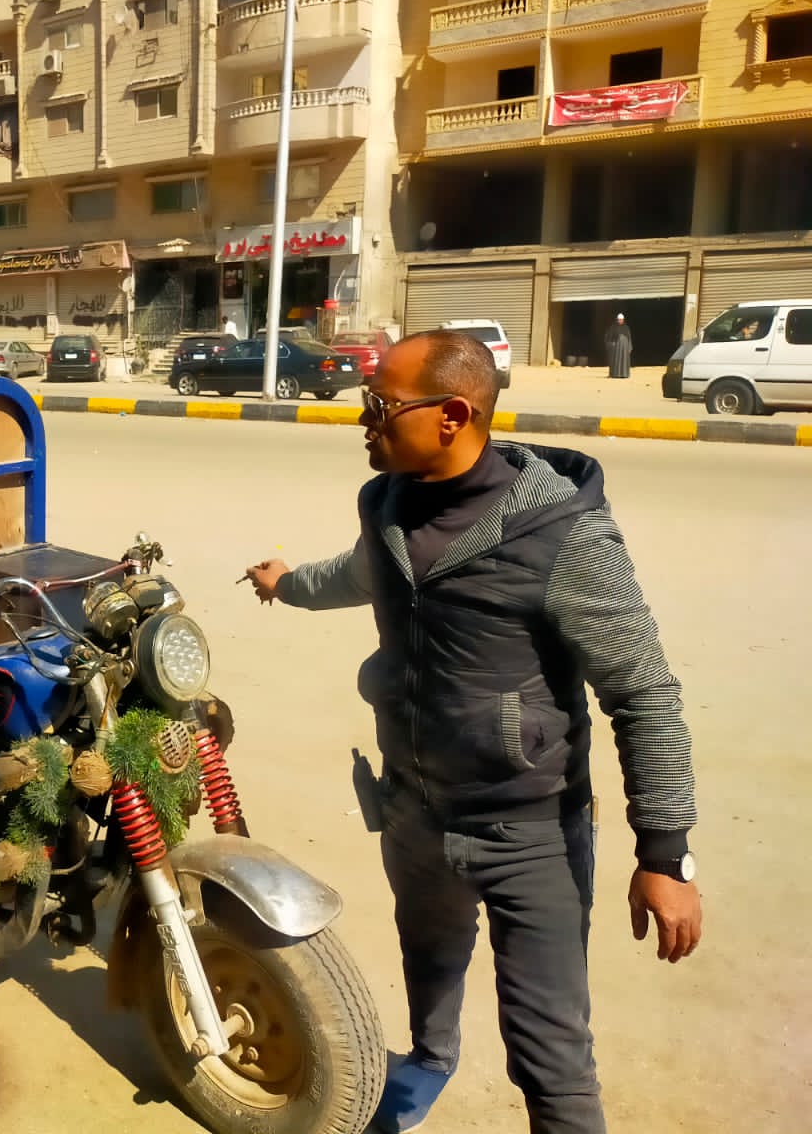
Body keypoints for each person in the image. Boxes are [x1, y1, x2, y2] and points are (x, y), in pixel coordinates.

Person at [244, 331, 701, 1134]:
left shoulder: (563, 535)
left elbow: (643, 692)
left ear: (452, 415)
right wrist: (289, 586)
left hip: (530, 833)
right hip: (414, 813)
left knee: (551, 1057)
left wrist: (665, 855)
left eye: (381, 405)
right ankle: (430, 1060)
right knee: (429, 959)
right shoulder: (387, 503)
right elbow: (361, 572)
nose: (364, 420)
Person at [603, 313, 632, 379]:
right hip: (616, 348)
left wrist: (629, 347)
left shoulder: (626, 327)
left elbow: (629, 337)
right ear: (617, 320)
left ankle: (624, 374)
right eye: (619, 319)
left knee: (624, 360)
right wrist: (612, 344)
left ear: (623, 320)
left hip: (625, 347)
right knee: (616, 361)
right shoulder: (613, 327)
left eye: (621, 320)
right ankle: (615, 374)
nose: (620, 321)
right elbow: (608, 337)